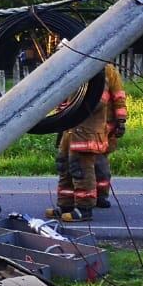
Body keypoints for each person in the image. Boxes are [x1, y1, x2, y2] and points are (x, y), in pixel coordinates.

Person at [46, 70, 112, 223]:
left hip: (86, 134)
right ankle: (65, 205)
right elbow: (64, 103)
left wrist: (72, 106)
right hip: (70, 132)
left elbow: (97, 103)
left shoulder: (97, 78)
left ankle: (84, 209)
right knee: (64, 167)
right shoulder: (76, 77)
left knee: (81, 171)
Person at [93, 63, 128, 209]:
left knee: (100, 165)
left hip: (103, 128)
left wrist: (121, 121)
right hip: (82, 127)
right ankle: (85, 196)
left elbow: (119, 96)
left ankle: (101, 196)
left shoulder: (109, 71)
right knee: (81, 166)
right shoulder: (80, 69)